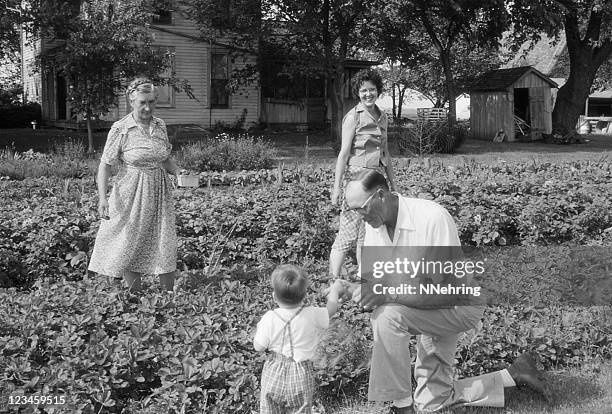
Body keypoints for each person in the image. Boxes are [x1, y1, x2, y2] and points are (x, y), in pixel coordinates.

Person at [338, 170, 550, 413]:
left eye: (361, 208)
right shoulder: (376, 225)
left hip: (456, 306)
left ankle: (401, 406)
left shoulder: (432, 218)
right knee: (431, 403)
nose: (359, 216)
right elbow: (378, 284)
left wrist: (387, 294)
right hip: (418, 305)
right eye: (354, 211)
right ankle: (514, 374)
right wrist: (357, 290)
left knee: (387, 317)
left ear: (381, 195)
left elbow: (447, 291)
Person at [88, 77, 180, 293]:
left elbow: (163, 158)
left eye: (151, 101)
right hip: (131, 193)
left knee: (164, 241)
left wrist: (178, 171)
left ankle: (168, 296)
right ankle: (134, 296)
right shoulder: (121, 128)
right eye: (142, 102)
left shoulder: (160, 125)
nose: (148, 107)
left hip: (159, 193)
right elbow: (105, 165)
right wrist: (102, 198)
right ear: (131, 101)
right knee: (131, 242)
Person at [329, 68, 397, 280]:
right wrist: (336, 188)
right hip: (356, 180)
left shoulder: (382, 117)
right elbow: (343, 154)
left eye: (372, 90)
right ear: (358, 93)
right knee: (348, 232)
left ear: (378, 91)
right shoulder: (353, 118)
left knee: (367, 234)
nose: (368, 94)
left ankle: (363, 277)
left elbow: (385, 154)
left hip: (376, 181)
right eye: (363, 91)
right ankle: (334, 281)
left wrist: (393, 185)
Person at [253, 264, 347, 414]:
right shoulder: (311, 314)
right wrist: (335, 290)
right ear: (304, 296)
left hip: (274, 371)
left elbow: (258, 347)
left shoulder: (269, 318)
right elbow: (331, 310)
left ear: (274, 296)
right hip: (301, 373)